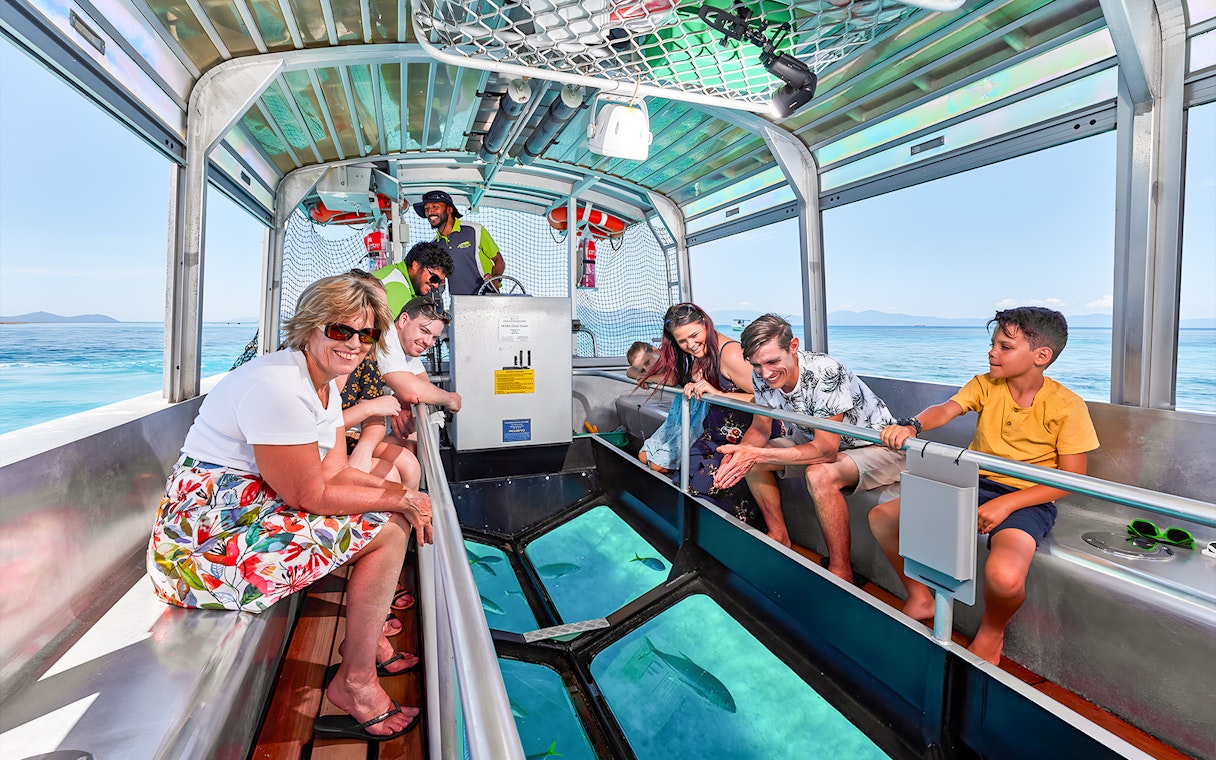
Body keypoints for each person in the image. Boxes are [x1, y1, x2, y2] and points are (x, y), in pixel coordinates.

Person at [147, 273, 431, 741]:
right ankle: (356, 681)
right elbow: (309, 495)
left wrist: (408, 499)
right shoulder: (280, 385)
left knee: (390, 515)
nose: (355, 344)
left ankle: (366, 643)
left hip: (250, 508)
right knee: (389, 528)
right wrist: (403, 499)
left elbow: (336, 474)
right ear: (310, 326)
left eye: (367, 334)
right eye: (341, 330)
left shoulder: (326, 383)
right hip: (201, 542)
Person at [869, 307, 1098, 664]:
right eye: (993, 344)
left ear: (1041, 356)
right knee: (883, 517)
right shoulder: (985, 385)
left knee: (1005, 578)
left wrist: (1007, 505)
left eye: (1005, 347)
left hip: (1026, 498)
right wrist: (912, 424)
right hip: (972, 482)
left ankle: (992, 630)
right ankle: (920, 596)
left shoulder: (1068, 406)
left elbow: (1073, 479)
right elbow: (946, 409)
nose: (992, 352)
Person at [712, 314, 905, 584]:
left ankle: (841, 571)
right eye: (757, 366)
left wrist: (758, 453)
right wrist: (742, 454)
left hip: (877, 447)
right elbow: (760, 428)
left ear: (793, 346)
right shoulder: (762, 374)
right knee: (750, 460)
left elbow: (826, 451)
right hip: (817, 440)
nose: (765, 373)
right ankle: (779, 535)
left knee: (819, 474)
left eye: (772, 362)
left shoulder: (825, 371)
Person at [636, 303, 770, 524]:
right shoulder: (701, 353)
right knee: (681, 483)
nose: (690, 345)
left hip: (747, 433)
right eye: (682, 341)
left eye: (694, 335)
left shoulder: (730, 354)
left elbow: (768, 401)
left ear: (706, 324)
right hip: (714, 435)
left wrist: (716, 393)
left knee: (707, 488)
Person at [415, 189, 505, 295]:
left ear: (449, 209)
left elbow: (498, 260)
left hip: (487, 296)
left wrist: (494, 278)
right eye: (427, 208)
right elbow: (440, 279)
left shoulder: (474, 230)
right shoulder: (434, 246)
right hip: (458, 303)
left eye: (435, 207)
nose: (430, 212)